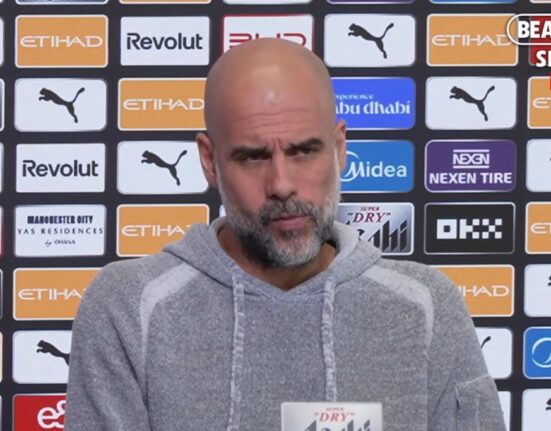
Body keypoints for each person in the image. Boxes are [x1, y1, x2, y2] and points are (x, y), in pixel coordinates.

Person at [65, 38, 506, 431]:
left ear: (339, 148)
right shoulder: (128, 307)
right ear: (210, 161)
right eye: (253, 157)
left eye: (303, 151)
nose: (281, 185)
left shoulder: (426, 307)